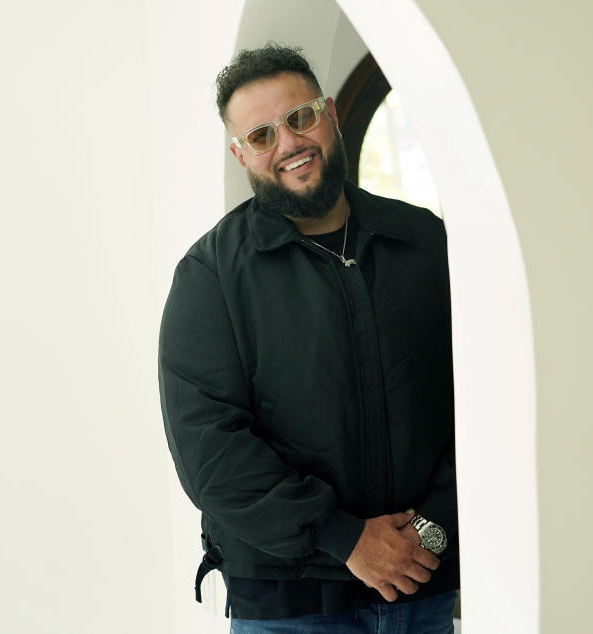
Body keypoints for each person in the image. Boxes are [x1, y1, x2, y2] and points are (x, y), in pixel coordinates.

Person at [158, 43, 459, 632]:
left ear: (330, 114)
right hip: (289, 606)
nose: (290, 143)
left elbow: (479, 395)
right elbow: (209, 450)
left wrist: (432, 525)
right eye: (262, 135)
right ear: (240, 154)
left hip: (424, 584)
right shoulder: (212, 274)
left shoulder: (424, 243)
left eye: (300, 117)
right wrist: (347, 540)